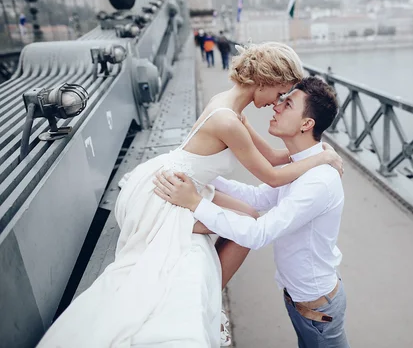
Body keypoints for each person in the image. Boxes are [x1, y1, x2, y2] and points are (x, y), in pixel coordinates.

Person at [36, 43, 343, 348]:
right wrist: (321, 158)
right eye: (280, 94)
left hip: (184, 179)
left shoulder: (230, 108)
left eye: (285, 99)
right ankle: (208, 302)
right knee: (239, 226)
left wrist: (314, 156)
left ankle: (209, 299)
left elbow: (276, 160)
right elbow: (274, 177)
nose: (276, 103)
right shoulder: (229, 120)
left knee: (248, 216)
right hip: (169, 187)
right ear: (265, 81)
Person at [155, 76, 350, 348]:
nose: (277, 106)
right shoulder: (303, 165)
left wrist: (195, 203)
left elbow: (258, 233)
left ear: (307, 124)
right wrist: (202, 173)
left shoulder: (317, 181)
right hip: (301, 299)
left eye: (288, 103)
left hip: (317, 307)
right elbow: (258, 196)